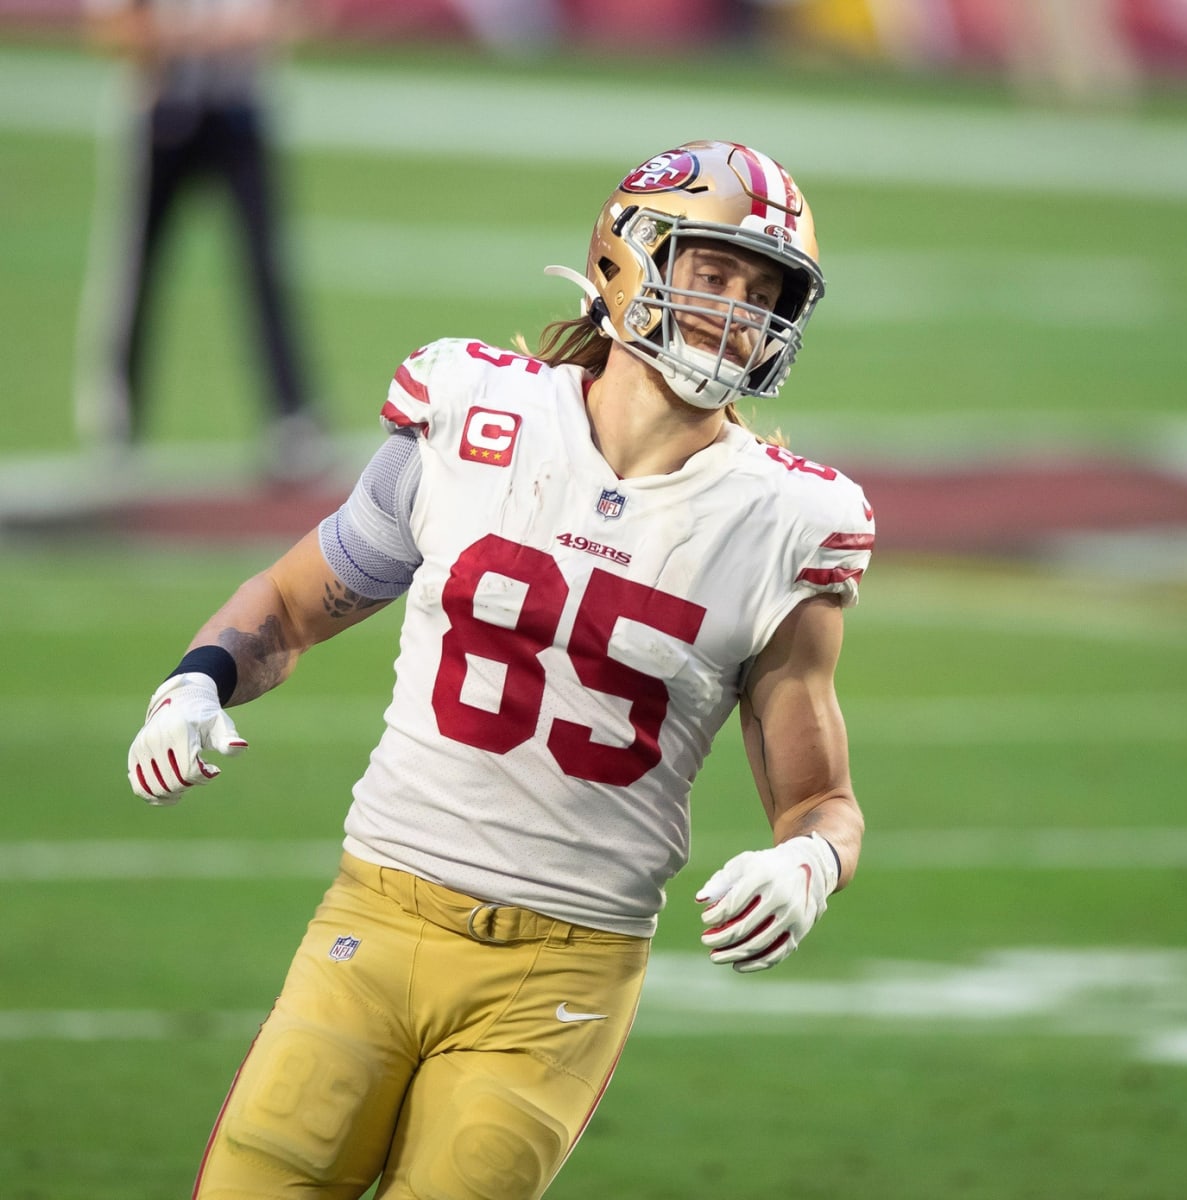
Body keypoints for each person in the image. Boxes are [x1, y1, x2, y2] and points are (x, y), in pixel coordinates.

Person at [127, 139, 875, 1199]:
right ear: (629, 256)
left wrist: (808, 865)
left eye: (767, 291)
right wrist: (197, 678)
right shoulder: (478, 419)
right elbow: (294, 603)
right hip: (377, 917)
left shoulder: (788, 522)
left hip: (563, 974)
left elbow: (822, 800)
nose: (739, 313)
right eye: (715, 274)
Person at [77, 0, 325, 478]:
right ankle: (116, 419)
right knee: (133, 268)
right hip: (164, 112)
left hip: (240, 112)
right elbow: (113, 29)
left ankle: (291, 416)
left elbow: (301, 17)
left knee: (265, 269)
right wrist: (194, 40)